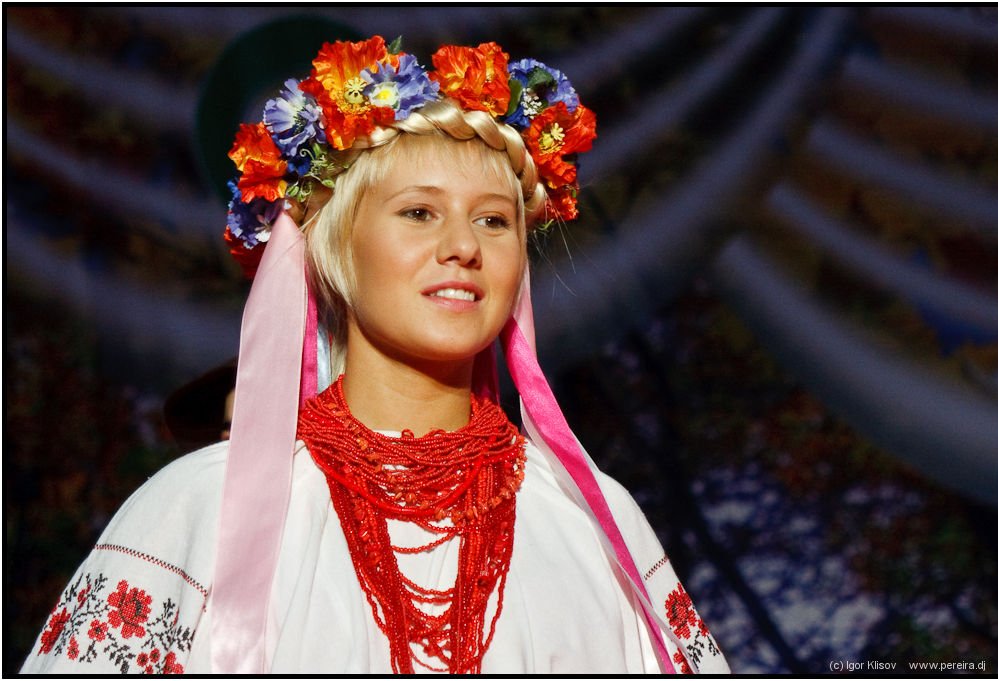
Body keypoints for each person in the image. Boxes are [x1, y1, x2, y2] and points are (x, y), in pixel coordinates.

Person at [21, 36, 728, 674]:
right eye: (419, 212)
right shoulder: (201, 508)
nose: (464, 246)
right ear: (335, 249)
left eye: (493, 219)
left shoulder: (593, 523)